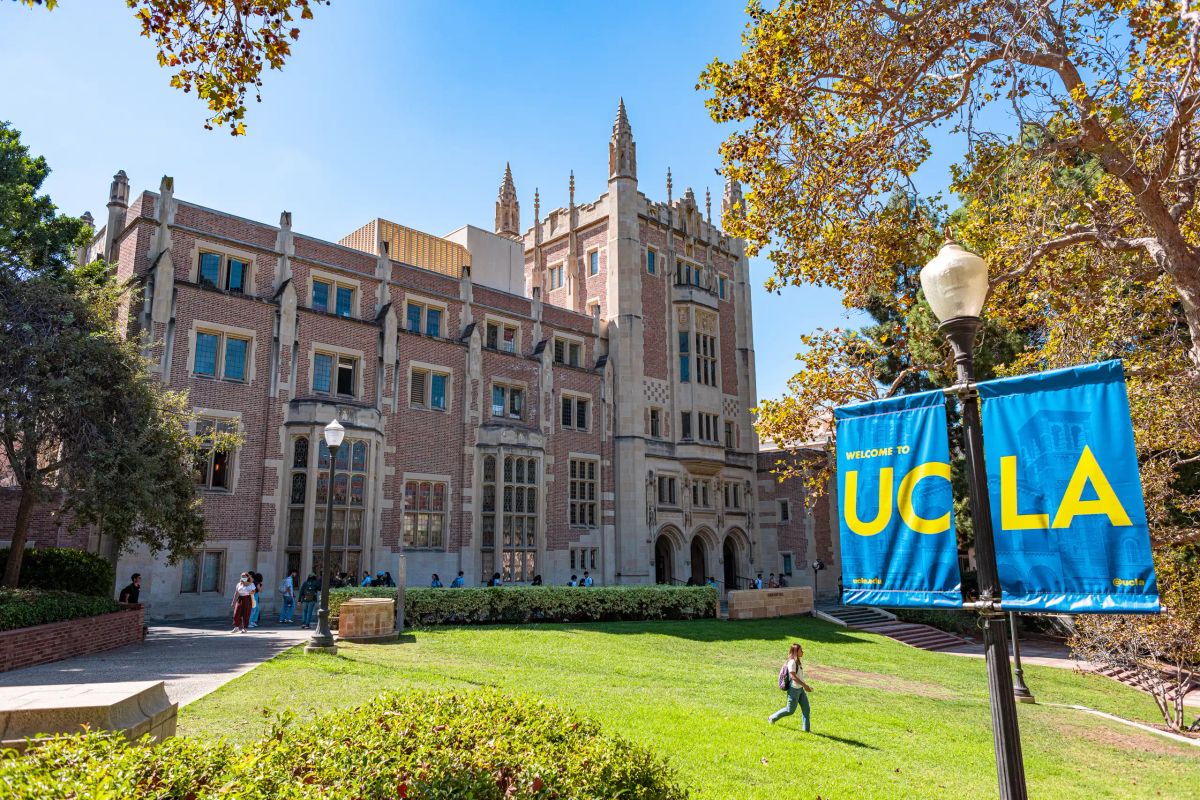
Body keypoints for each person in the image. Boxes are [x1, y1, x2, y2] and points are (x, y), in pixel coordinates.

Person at [769, 642, 814, 730]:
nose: (803, 652)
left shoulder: (798, 662)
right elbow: (793, 677)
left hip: (800, 689)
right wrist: (805, 686)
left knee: (806, 709)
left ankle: (806, 731)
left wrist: (804, 686)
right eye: (801, 650)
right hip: (794, 690)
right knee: (790, 710)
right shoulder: (792, 662)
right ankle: (772, 718)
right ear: (796, 651)